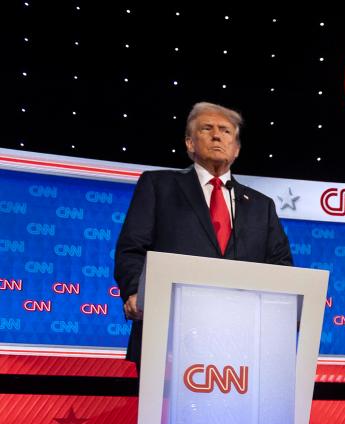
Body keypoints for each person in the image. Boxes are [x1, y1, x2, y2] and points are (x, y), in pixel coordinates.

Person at [114, 102, 293, 364]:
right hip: (169, 336)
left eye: (226, 131)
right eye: (207, 128)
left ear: (237, 149)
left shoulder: (261, 205)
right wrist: (134, 292)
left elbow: (281, 265)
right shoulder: (158, 185)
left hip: (242, 341)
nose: (217, 135)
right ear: (189, 143)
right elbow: (132, 248)